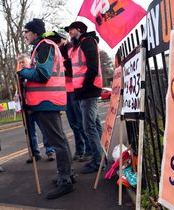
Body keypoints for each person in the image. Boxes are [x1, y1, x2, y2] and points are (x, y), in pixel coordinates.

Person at [17, 18, 73, 199]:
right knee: (60, 140)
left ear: (34, 32)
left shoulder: (44, 46)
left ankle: (65, 180)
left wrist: (22, 72)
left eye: (26, 32)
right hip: (47, 101)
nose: (24, 35)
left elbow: (42, 74)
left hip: (47, 101)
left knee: (57, 142)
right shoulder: (42, 47)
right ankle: (67, 174)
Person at [43, 31, 92, 162]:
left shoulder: (69, 48)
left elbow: (75, 69)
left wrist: (64, 66)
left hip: (74, 90)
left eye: (55, 41)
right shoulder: (54, 53)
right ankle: (80, 149)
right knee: (73, 124)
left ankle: (88, 149)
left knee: (81, 122)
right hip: (64, 91)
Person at [65, 21, 104, 174]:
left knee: (89, 127)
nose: (69, 33)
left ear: (79, 30)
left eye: (71, 30)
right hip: (83, 90)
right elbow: (74, 68)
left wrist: (85, 88)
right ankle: (101, 157)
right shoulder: (77, 46)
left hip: (88, 90)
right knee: (93, 125)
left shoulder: (88, 42)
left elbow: (92, 67)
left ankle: (98, 160)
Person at [17, 54, 56, 163]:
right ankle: (34, 153)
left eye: (23, 62)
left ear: (29, 62)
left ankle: (50, 151)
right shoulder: (20, 76)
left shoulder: (34, 73)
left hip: (36, 105)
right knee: (30, 132)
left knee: (44, 130)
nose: (22, 65)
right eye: (20, 63)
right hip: (26, 107)